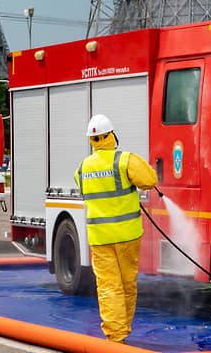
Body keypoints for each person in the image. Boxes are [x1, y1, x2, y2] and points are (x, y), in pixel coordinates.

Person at [75, 114, 158, 343]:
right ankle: (122, 331)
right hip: (128, 236)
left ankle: (116, 337)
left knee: (108, 287)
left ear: (92, 140)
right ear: (111, 135)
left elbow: (86, 192)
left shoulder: (82, 168)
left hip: (100, 239)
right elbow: (150, 180)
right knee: (127, 285)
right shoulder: (125, 160)